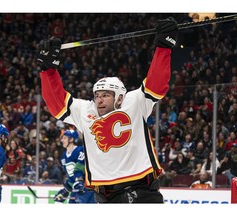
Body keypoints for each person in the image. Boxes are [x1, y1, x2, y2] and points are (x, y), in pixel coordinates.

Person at [37, 17, 178, 203]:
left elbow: (157, 83)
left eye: (105, 95)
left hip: (140, 191)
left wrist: (164, 46)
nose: (99, 100)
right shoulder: (87, 111)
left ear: (120, 97)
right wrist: (47, 70)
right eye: (97, 95)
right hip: (104, 195)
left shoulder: (134, 102)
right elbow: (57, 104)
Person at [54, 129, 96, 203]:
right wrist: (65, 190)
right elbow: (71, 177)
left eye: (64, 138)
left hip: (88, 189)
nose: (62, 140)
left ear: (71, 139)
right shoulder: (63, 157)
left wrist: (79, 181)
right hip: (77, 190)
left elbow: (80, 168)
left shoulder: (81, 150)